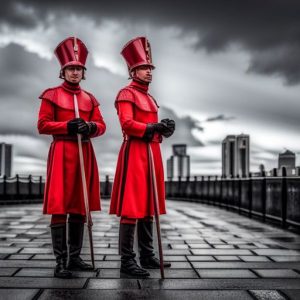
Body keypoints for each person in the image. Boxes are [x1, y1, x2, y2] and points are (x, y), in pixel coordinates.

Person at [37, 37, 106, 278]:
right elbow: (43, 125)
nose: (75, 72)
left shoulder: (90, 98)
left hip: (84, 152)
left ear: (83, 72)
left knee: (80, 205)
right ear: (63, 71)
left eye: (79, 68)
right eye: (71, 68)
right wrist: (67, 125)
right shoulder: (51, 95)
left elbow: (102, 125)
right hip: (62, 152)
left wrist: (89, 127)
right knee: (61, 206)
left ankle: (75, 258)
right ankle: (60, 262)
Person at [110, 36, 175, 278]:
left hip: (152, 153)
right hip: (135, 152)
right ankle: (127, 261)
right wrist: (152, 128)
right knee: (132, 206)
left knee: (149, 204)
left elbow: (152, 130)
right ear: (132, 70)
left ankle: (147, 255)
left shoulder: (150, 97)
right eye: (144, 68)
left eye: (150, 68)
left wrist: (163, 129)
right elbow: (127, 124)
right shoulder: (125, 93)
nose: (149, 72)